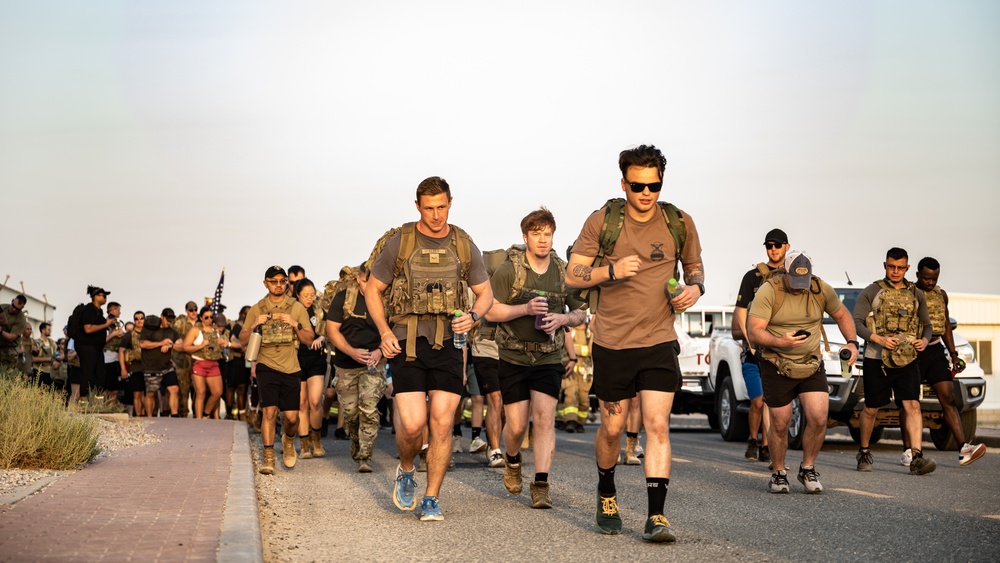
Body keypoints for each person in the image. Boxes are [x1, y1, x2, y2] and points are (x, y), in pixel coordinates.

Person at [566, 144, 704, 542]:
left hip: (659, 338)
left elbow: (695, 269)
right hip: (612, 341)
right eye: (638, 186)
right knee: (611, 427)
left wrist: (694, 289)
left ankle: (656, 516)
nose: (646, 193)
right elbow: (574, 274)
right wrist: (609, 270)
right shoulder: (603, 221)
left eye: (654, 185)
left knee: (657, 424)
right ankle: (606, 490)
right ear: (623, 183)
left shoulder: (679, 222)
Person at [367, 176, 493, 522]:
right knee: (411, 425)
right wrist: (383, 331)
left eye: (441, 207)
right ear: (417, 206)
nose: (436, 215)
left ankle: (432, 497)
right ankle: (407, 468)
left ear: (450, 202)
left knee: (440, 424)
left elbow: (486, 293)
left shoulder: (463, 244)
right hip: (406, 342)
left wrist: (472, 316)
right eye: (428, 208)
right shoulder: (401, 242)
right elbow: (372, 290)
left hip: (449, 343)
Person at [486, 207, 587, 509]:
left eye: (547, 234)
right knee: (516, 427)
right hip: (513, 356)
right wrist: (524, 310)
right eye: (536, 234)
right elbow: (490, 310)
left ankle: (541, 483)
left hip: (548, 357)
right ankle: (513, 461)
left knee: (544, 420)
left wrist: (562, 320)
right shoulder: (509, 271)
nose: (543, 240)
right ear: (525, 237)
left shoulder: (563, 271)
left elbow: (581, 313)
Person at [747, 251, 859, 494]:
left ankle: (807, 468)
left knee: (819, 417)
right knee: (781, 422)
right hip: (776, 363)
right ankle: (778, 473)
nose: (800, 288)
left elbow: (841, 314)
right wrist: (781, 341)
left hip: (810, 363)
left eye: (804, 282)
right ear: (785, 273)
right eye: (795, 282)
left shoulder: (820, 289)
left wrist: (852, 342)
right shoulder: (770, 291)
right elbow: (753, 331)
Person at [852, 247, 936, 475]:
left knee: (913, 405)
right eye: (891, 266)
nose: (895, 271)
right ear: (885, 266)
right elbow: (857, 322)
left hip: (907, 359)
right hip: (876, 359)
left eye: (900, 267)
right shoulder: (872, 291)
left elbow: (927, 326)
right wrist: (877, 338)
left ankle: (917, 457)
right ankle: (865, 451)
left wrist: (924, 341)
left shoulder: (915, 294)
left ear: (907, 268)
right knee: (871, 408)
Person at [907, 257, 986, 467]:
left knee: (948, 397)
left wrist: (953, 354)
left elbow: (946, 326)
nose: (930, 282)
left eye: (934, 278)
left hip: (934, 351)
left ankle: (963, 449)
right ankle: (909, 451)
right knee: (909, 402)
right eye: (926, 278)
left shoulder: (941, 295)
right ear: (917, 275)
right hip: (912, 352)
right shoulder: (909, 294)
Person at [239, 266, 314, 475]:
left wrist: (295, 323)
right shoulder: (258, 308)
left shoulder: (296, 307)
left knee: (291, 418)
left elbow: (309, 339)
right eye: (274, 281)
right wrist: (254, 323)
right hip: (266, 366)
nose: (279, 285)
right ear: (266, 284)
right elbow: (242, 340)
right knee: (269, 412)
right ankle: (269, 458)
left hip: (291, 367)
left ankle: (288, 440)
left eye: (282, 281)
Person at [732, 228, 790, 464]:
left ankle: (767, 446)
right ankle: (754, 440)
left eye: (777, 245)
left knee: (771, 402)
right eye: (769, 245)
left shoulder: (793, 275)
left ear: (787, 246)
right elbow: (741, 313)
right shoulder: (752, 277)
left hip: (779, 352)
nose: (773, 249)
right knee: (758, 400)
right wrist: (751, 343)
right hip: (754, 353)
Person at [327, 265, 385, 473]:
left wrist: (380, 351)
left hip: (374, 363)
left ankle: (365, 456)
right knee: (350, 413)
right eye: (368, 281)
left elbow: (394, 329)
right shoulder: (343, 298)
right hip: (346, 364)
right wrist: (351, 352)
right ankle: (356, 440)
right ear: (360, 279)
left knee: (368, 408)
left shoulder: (385, 299)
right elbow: (331, 330)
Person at [293, 278, 328, 459]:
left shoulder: (320, 311)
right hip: (297, 360)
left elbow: (328, 329)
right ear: (297, 295)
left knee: (315, 401)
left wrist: (322, 338)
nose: (309, 298)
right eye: (305, 295)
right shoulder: (292, 311)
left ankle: (317, 439)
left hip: (316, 360)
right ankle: (304, 444)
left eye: (312, 294)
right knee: (301, 403)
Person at [470, 315, 505, 468]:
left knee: (505, 408)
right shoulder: (479, 291)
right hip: (484, 351)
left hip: (510, 352)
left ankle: (492, 442)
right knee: (495, 399)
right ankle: (496, 451)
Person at [183, 306, 229, 419]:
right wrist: (201, 345)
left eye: (211, 317)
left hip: (213, 364)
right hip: (199, 363)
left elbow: (217, 345)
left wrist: (222, 345)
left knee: (217, 392)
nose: (209, 319)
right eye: (206, 317)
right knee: (201, 392)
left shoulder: (215, 330)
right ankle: (199, 419)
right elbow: (186, 347)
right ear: (201, 317)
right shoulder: (195, 330)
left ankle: (206, 413)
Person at [76, 286, 116, 401]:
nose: (106, 298)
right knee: (87, 373)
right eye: (103, 296)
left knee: (100, 375)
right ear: (95, 296)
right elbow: (88, 329)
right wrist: (106, 324)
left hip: (97, 347)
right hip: (87, 346)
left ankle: (98, 402)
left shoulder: (99, 311)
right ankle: (83, 401)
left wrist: (109, 324)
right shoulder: (89, 309)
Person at [139, 312, 182, 417]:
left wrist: (171, 344)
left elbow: (181, 345)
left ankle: (175, 415)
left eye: (171, 320)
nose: (168, 322)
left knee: (174, 389)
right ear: (162, 317)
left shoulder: (172, 332)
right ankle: (149, 417)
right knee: (151, 393)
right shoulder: (150, 328)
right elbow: (142, 344)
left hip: (167, 367)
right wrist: (161, 343)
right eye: (167, 319)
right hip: (151, 367)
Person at [560, 321, 593, 435]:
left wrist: (573, 348)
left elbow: (590, 350)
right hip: (571, 370)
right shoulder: (569, 330)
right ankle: (571, 421)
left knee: (584, 399)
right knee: (570, 395)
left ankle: (580, 423)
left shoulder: (589, 332)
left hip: (585, 373)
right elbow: (564, 348)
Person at [172, 301, 198, 417]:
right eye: (191, 310)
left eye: (195, 309)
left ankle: (197, 412)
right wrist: (185, 347)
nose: (194, 312)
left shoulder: (200, 324)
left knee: (198, 389)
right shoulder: (180, 324)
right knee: (183, 390)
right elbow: (173, 342)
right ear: (186, 311)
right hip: (182, 361)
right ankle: (183, 414)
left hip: (197, 360)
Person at [119, 311, 147, 416]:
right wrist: (123, 369)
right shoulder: (128, 335)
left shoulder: (149, 333)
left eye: (141, 318)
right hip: (135, 367)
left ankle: (149, 415)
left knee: (149, 394)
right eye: (136, 318)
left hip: (148, 366)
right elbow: (121, 351)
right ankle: (138, 416)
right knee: (137, 393)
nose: (139, 320)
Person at [102, 301, 126, 404]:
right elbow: (100, 341)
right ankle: (107, 408)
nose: (120, 312)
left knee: (115, 389)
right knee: (108, 389)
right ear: (112, 310)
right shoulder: (104, 323)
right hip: (108, 360)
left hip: (117, 359)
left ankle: (112, 407)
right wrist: (113, 334)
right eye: (118, 310)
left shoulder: (117, 324)